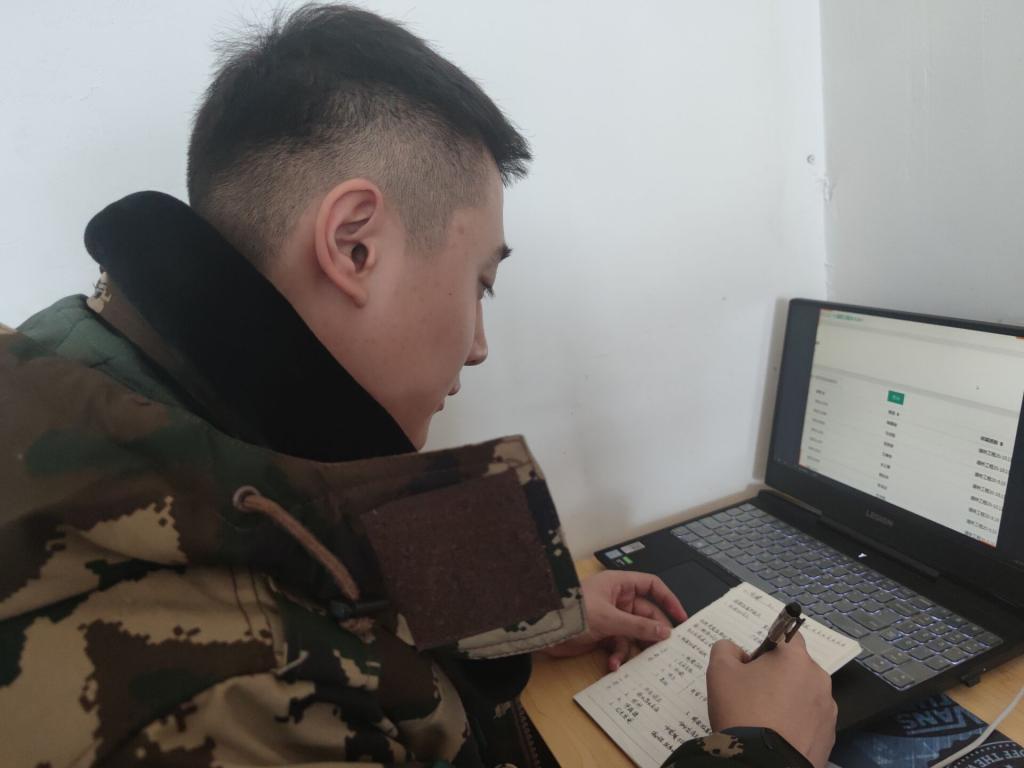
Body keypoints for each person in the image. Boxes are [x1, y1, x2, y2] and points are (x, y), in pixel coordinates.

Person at [0, 4, 837, 767]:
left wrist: (532, 610)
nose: (478, 347)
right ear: (353, 246)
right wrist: (765, 751)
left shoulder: (104, 375)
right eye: (481, 283)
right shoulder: (221, 697)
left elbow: (300, 527)